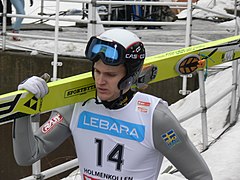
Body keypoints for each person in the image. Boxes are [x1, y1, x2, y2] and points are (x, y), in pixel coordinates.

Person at [13, 28, 213, 180]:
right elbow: (29, 155)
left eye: (110, 75)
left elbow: (200, 176)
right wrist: (23, 108)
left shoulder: (156, 118)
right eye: (97, 72)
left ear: (130, 76)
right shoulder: (76, 106)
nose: (100, 81)